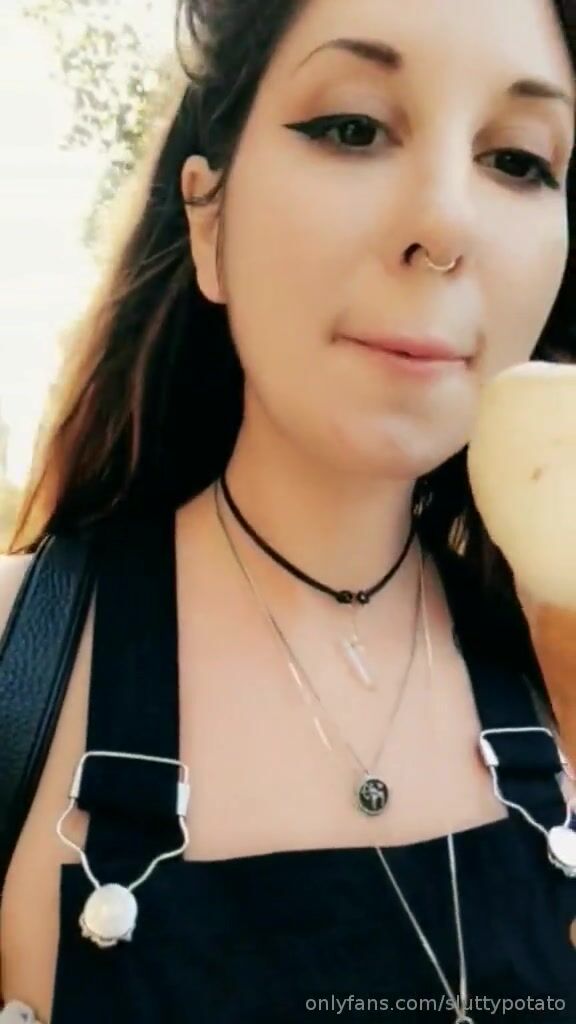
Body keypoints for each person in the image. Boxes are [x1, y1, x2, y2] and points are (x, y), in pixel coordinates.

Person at [0, 0, 575, 1020]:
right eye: (353, 127)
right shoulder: (18, 659)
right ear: (208, 219)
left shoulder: (556, 674)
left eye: (518, 160)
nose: (448, 224)